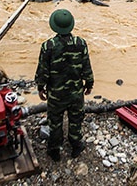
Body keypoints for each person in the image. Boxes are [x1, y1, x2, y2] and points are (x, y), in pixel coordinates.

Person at [35, 9, 94, 161]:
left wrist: (41, 87)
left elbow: (43, 70)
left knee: (55, 121)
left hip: (56, 93)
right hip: (76, 92)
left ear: (54, 26)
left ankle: (54, 149)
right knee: (76, 119)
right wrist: (89, 83)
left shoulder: (48, 46)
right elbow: (86, 65)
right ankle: (76, 145)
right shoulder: (81, 43)